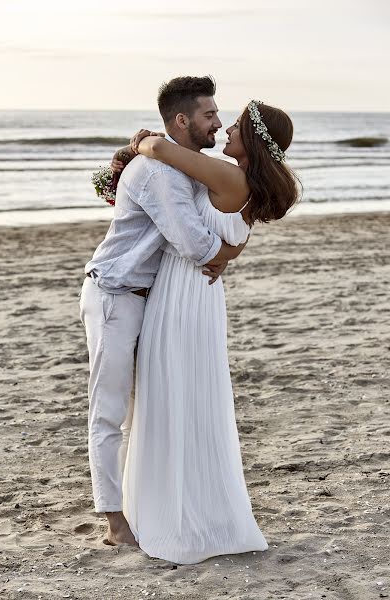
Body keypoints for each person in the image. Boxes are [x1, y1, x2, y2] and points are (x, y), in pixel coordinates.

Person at [113, 87, 300, 563]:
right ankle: (197, 508)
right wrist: (228, 254)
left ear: (253, 141)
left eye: (237, 124)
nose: (227, 128)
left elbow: (158, 149)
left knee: (169, 397)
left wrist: (140, 143)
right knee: (189, 397)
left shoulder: (225, 174)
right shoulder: (244, 183)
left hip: (180, 293)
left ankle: (173, 517)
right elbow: (227, 236)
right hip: (201, 296)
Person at [79, 75, 246, 548]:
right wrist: (231, 251)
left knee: (144, 407)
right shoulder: (157, 174)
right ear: (182, 120)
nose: (217, 121)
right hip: (114, 294)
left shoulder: (179, 164)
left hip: (144, 298)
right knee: (109, 410)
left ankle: (140, 503)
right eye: (209, 114)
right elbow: (193, 243)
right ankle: (114, 522)